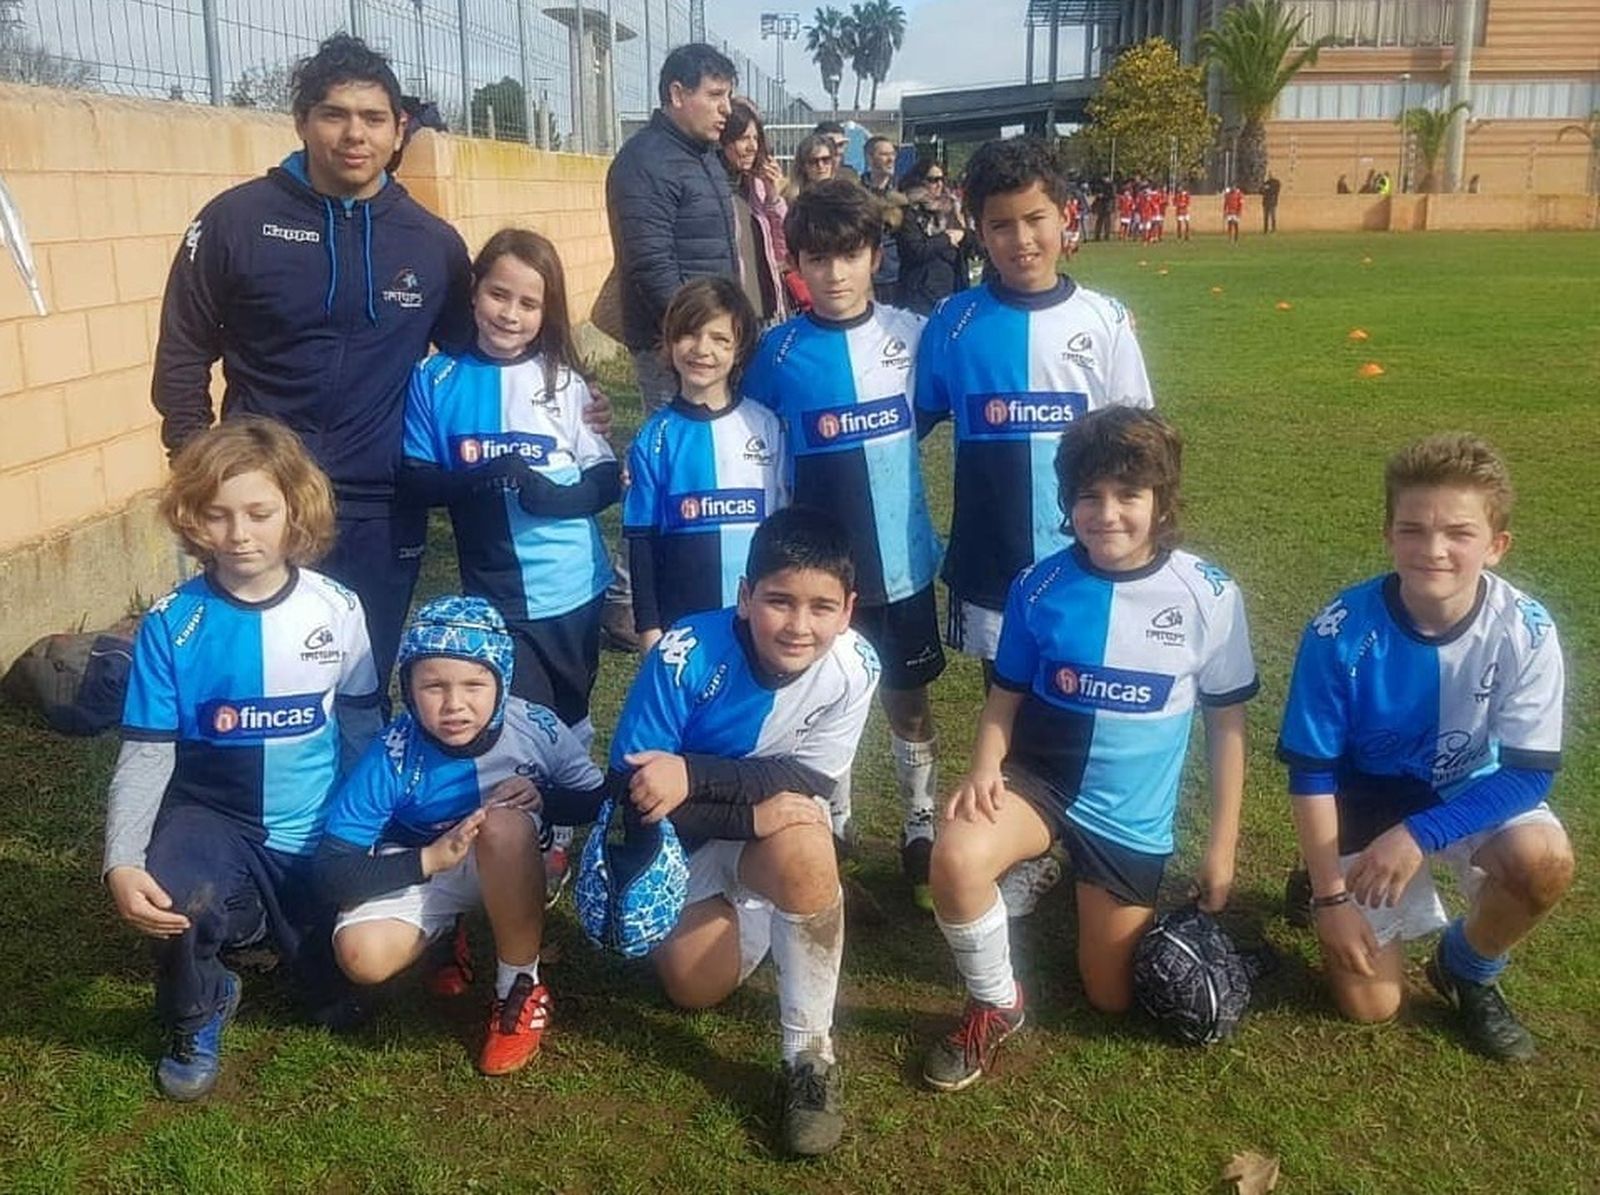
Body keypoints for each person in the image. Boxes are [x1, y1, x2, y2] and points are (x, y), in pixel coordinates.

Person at [919, 407, 1257, 1091]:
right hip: (1041, 782)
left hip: (1126, 812)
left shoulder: (1209, 594)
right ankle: (996, 1000)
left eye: (1128, 495)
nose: (1107, 513)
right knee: (953, 856)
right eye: (1088, 495)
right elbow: (1005, 697)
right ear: (1067, 499)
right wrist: (986, 764)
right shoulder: (1038, 586)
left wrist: (1221, 849)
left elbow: (1227, 727)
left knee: (1110, 995)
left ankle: (1064, 876)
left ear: (1162, 500)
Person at [151, 34, 473, 692]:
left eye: (373, 118)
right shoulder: (235, 222)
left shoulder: (434, 244)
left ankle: (352, 796)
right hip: (261, 500)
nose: (354, 134)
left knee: (361, 680)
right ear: (302, 121)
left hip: (380, 505)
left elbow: (482, 360)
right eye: (334, 114)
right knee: (249, 680)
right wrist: (204, 471)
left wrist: (565, 409)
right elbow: (182, 352)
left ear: (399, 128)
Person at [105, 417, 381, 1100]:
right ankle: (200, 1006)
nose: (240, 534)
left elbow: (363, 724)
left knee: (338, 996)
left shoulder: (337, 608)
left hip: (311, 818)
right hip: (212, 815)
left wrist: (375, 828)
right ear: (193, 518)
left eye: (259, 513)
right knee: (180, 896)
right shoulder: (173, 623)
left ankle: (262, 921)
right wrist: (122, 858)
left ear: (295, 510)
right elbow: (146, 751)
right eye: (218, 515)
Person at [1278, 433, 1572, 1062]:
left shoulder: (1527, 629)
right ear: (1388, 535)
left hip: (1468, 784)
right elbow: (1311, 773)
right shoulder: (1339, 631)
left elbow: (1527, 775)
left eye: (1459, 534)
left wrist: (1417, 835)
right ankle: (1319, 875)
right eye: (1412, 529)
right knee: (1372, 1007)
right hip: (1368, 794)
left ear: (1496, 546)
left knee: (1544, 862)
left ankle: (1467, 969)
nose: (1433, 550)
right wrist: (1332, 899)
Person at [609, 507, 879, 1156]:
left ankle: (809, 1058)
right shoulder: (685, 652)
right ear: (743, 595)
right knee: (694, 989)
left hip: (767, 828)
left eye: (821, 607)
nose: (799, 624)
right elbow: (632, 793)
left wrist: (693, 774)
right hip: (681, 842)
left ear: (848, 609)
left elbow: (806, 777)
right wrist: (742, 810)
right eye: (779, 601)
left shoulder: (856, 664)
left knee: (809, 840)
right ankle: (786, 907)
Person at [742, 180, 946, 907]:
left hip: (902, 563)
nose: (834, 274)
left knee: (906, 695)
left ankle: (921, 821)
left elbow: (932, 413)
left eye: (849, 256)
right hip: (820, 574)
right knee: (826, 694)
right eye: (817, 259)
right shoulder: (778, 352)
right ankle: (835, 820)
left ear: (875, 256)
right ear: (796, 263)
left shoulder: (911, 336)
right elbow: (754, 437)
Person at [400, 229, 617, 895]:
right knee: (522, 718)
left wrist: (554, 495)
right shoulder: (435, 379)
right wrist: (480, 474)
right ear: (475, 291)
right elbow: (416, 476)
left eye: (528, 303)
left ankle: (572, 822)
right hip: (493, 595)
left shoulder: (564, 382)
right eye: (499, 294)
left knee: (572, 713)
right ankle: (537, 839)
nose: (510, 314)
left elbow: (606, 480)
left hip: (572, 585)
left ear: (545, 312)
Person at [315, 596, 605, 1076]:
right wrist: (428, 859)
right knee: (361, 957)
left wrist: (544, 795)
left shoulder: (535, 726)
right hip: (432, 863)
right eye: (433, 686)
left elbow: (598, 801)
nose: (454, 704)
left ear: (502, 682)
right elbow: (330, 872)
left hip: (511, 856)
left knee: (503, 824)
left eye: (474, 684)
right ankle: (448, 931)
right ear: (407, 686)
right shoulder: (391, 753)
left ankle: (519, 985)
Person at [604, 42, 741, 649]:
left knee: (708, 463)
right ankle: (628, 600)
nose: (726, 110)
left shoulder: (704, 156)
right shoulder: (644, 164)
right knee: (666, 467)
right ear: (676, 95)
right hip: (676, 346)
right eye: (715, 96)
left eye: (729, 96)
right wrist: (700, 339)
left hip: (715, 338)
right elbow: (653, 266)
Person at [624, 278, 787, 648]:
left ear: (739, 350)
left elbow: (783, 523)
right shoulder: (655, 437)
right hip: (684, 622)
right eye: (690, 335)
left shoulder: (765, 425)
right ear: (669, 341)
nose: (702, 349)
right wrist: (649, 629)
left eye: (720, 339)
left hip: (758, 617)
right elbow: (641, 542)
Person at [719, 98, 794, 325]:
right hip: (731, 308)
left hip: (767, 305)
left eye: (755, 138)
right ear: (724, 141)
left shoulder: (756, 186)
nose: (752, 146)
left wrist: (773, 196)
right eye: (743, 138)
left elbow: (782, 250)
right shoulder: (714, 189)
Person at [895, 158, 968, 315]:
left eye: (942, 179)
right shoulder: (908, 212)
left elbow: (972, 246)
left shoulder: (950, 208)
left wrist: (963, 230)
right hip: (921, 293)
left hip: (952, 287)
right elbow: (916, 250)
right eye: (933, 180)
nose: (939, 184)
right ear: (919, 181)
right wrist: (947, 239)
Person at [863, 134, 906, 305]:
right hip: (866, 273)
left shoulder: (902, 191)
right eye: (884, 154)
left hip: (896, 274)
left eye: (893, 154)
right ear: (870, 158)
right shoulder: (856, 191)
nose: (891, 159)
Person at [786, 133, 839, 200]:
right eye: (813, 161)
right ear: (803, 165)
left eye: (826, 159)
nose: (820, 165)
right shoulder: (794, 199)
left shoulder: (844, 195)